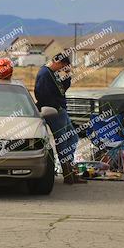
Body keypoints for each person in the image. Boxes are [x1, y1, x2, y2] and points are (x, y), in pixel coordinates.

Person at [34, 53, 87, 184]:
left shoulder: (53, 73)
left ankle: (70, 169)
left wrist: (67, 76)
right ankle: (68, 174)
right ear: (57, 62)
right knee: (62, 142)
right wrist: (55, 107)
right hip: (55, 112)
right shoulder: (45, 74)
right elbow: (40, 94)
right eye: (62, 66)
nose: (62, 68)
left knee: (73, 138)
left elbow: (61, 89)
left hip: (60, 111)